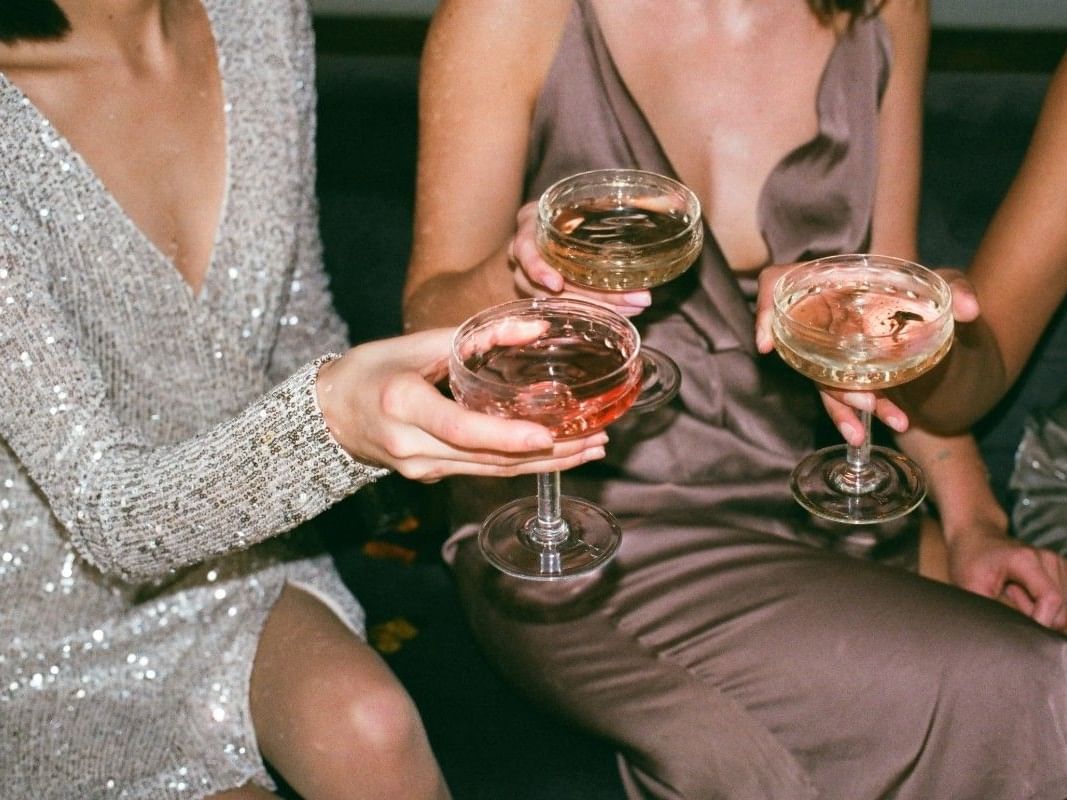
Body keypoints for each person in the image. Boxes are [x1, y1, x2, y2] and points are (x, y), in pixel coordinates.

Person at [403, 1, 1067, 797]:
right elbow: (424, 320)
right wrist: (520, 278)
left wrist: (972, 520)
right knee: (1017, 682)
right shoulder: (507, 15)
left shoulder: (881, 11)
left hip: (813, 495)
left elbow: (879, 327)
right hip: (579, 520)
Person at [0, 2, 610, 799]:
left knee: (372, 725)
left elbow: (294, 317)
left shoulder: (257, 16)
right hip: (33, 600)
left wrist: (496, 301)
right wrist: (335, 426)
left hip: (236, 548)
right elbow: (109, 516)